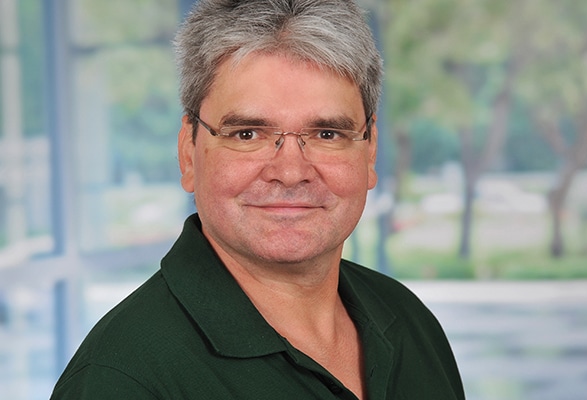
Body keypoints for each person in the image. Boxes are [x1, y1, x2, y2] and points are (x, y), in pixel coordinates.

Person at [50, 0, 464, 399]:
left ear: (369, 152)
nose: (291, 171)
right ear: (188, 153)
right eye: (247, 134)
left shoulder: (408, 321)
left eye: (327, 134)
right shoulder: (121, 379)